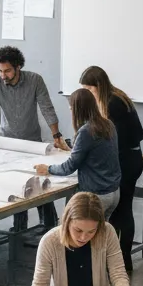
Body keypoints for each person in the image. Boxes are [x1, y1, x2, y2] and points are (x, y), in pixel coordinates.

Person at [0, 46, 70, 231]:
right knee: (17, 184)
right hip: (7, 142)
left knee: (40, 183)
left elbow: (47, 108)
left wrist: (56, 136)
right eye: (0, 71)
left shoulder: (35, 80)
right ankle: (19, 229)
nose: (3, 75)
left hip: (32, 142)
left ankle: (49, 225)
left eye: (7, 71)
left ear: (18, 67)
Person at [30, 191, 133, 286]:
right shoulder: (49, 241)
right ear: (67, 222)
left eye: (91, 231)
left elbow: (119, 275)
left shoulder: (106, 232)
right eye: (78, 230)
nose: (84, 237)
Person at [79, 65, 143, 270]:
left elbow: (109, 141)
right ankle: (123, 260)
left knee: (120, 213)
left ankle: (119, 261)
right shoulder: (117, 95)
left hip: (126, 161)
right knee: (124, 210)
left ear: (98, 86)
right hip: (133, 157)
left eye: (89, 89)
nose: (87, 94)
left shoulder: (111, 104)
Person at [34, 88, 121, 219]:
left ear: (77, 110)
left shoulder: (86, 131)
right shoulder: (108, 124)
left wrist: (48, 169)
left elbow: (70, 166)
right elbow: (95, 153)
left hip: (97, 195)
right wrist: (70, 149)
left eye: (71, 109)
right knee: (99, 231)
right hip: (113, 193)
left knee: (68, 227)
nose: (70, 112)